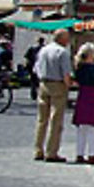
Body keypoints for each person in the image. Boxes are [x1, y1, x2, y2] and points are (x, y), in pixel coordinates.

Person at [33, 29, 73, 162]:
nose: (68, 41)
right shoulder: (62, 52)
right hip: (58, 85)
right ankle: (51, 152)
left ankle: (38, 150)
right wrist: (68, 85)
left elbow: (36, 68)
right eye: (67, 38)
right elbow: (66, 73)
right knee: (56, 120)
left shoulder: (43, 50)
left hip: (43, 84)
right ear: (61, 39)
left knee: (41, 119)